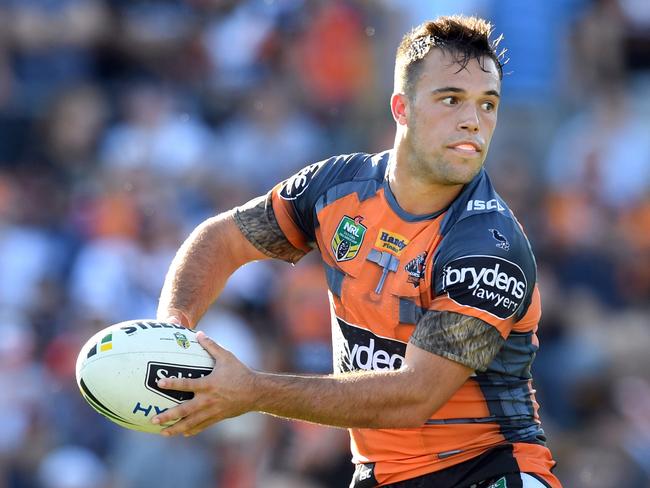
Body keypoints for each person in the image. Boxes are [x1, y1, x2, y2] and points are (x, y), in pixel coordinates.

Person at [151, 15, 562, 488]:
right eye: (451, 99)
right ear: (401, 107)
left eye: (488, 104)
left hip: (489, 471)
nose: (474, 120)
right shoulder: (336, 188)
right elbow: (222, 239)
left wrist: (252, 391)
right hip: (379, 474)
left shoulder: (489, 245)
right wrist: (172, 331)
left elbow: (413, 396)